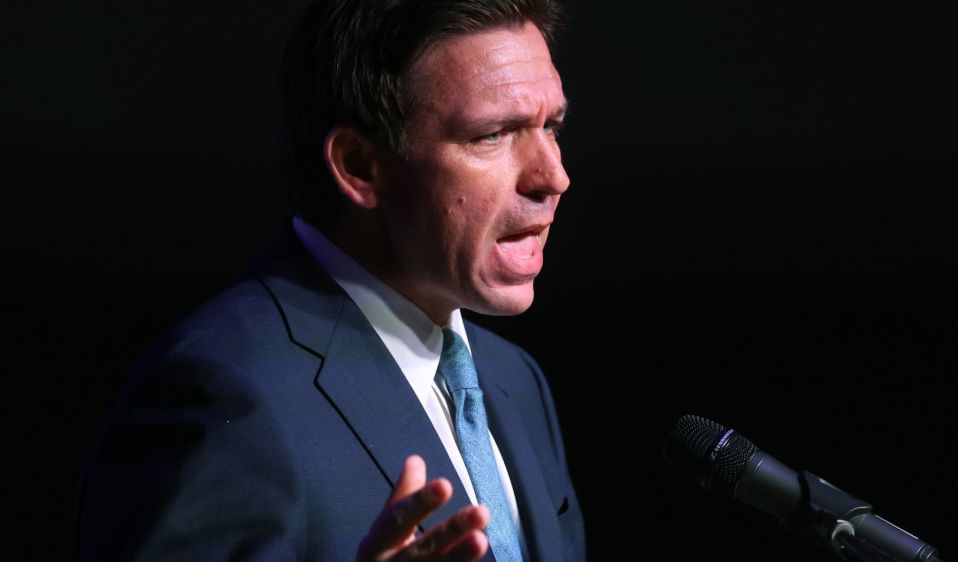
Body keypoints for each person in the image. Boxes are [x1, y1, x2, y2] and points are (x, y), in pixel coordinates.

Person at [73, 1, 585, 560]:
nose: (552, 176)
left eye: (551, 127)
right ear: (360, 166)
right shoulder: (221, 393)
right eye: (493, 134)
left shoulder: (515, 379)